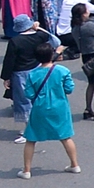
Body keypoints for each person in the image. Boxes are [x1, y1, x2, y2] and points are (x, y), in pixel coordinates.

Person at [15, 40, 79, 178]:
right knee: (65, 136)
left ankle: (26, 170)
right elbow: (69, 89)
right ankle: (74, 164)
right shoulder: (63, 71)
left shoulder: (32, 74)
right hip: (60, 107)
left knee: (31, 139)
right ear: (51, 55)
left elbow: (29, 94)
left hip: (40, 108)